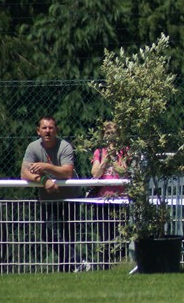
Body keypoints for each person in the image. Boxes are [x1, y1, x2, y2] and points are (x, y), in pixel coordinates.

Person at [21, 115, 85, 272]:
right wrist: (44, 180)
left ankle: (68, 268)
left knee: (68, 234)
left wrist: (45, 166)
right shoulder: (33, 148)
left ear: (56, 130)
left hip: (70, 196)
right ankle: (77, 262)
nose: (47, 131)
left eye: (51, 128)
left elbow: (67, 172)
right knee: (48, 233)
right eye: (44, 128)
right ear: (38, 131)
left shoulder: (65, 146)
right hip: (48, 197)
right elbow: (24, 173)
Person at [90, 121, 128, 269]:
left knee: (121, 234)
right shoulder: (99, 152)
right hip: (102, 199)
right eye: (107, 134)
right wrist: (106, 159)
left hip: (120, 199)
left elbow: (123, 171)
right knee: (105, 235)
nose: (110, 137)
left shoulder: (124, 151)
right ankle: (105, 265)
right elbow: (95, 174)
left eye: (113, 134)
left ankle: (121, 264)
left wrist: (114, 157)